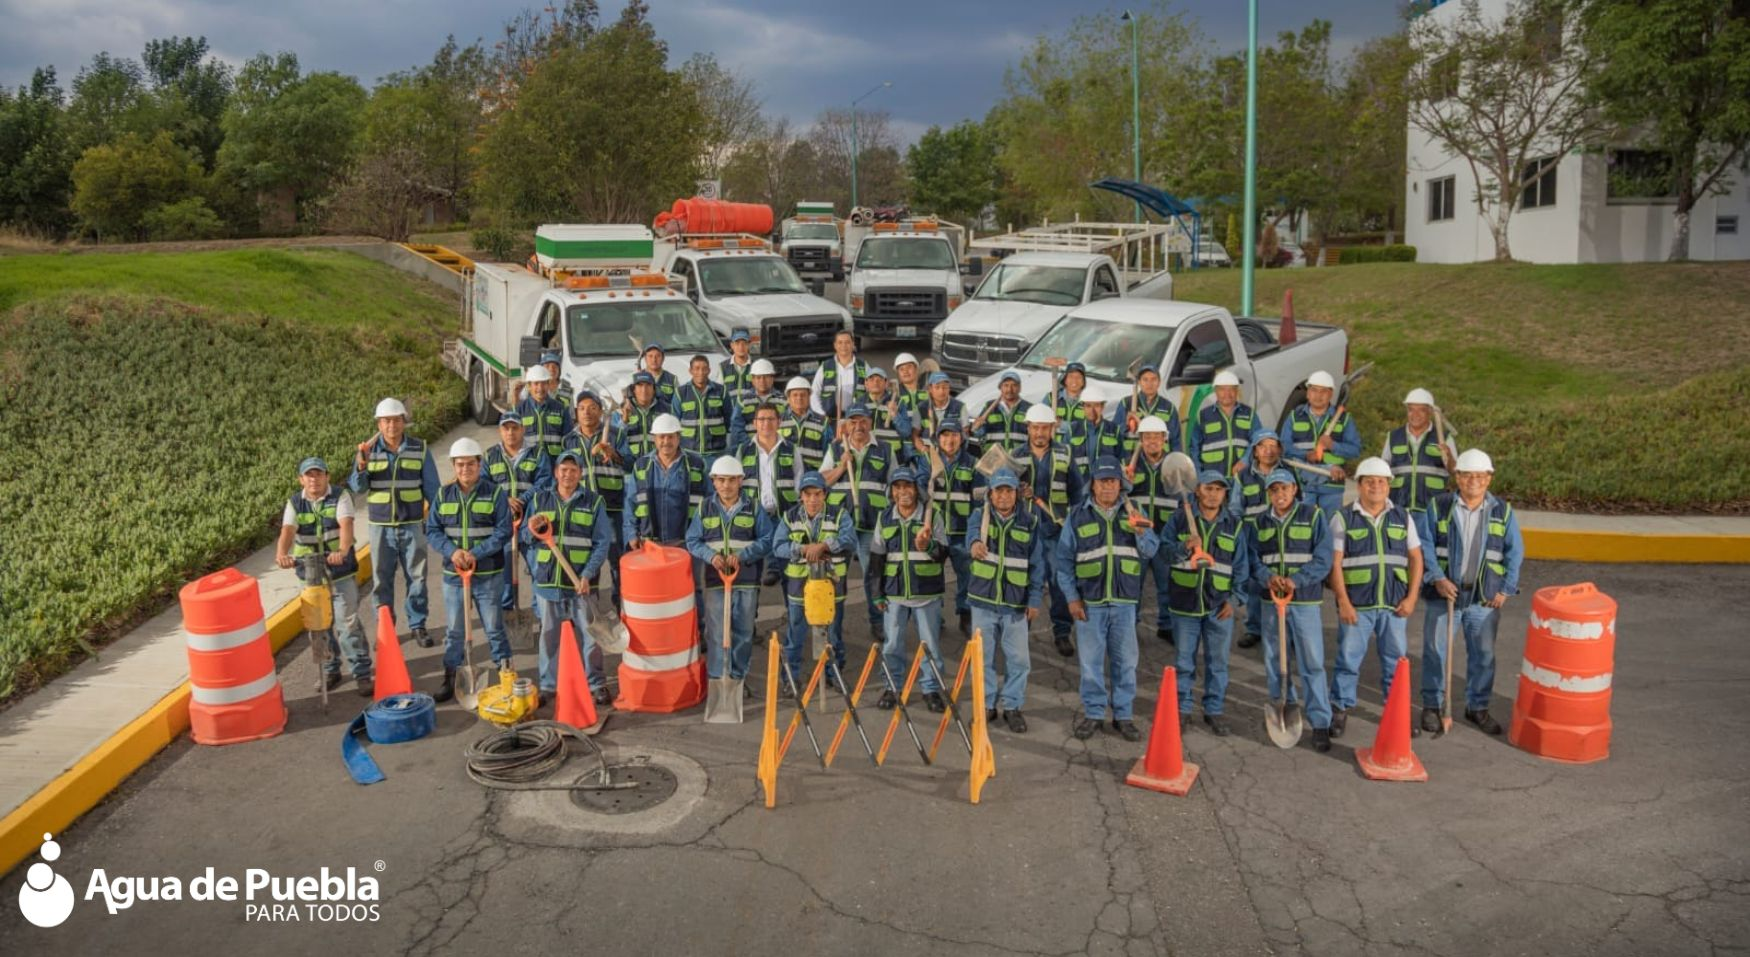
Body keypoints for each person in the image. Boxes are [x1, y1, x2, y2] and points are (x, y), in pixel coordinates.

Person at [1416, 449, 1523, 736]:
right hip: (1445, 596)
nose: (1473, 480)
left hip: (1483, 599)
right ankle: (1432, 705)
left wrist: (1506, 589)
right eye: (1466, 475)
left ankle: (1477, 706)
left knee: (1483, 655)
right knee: (1436, 653)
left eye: (1480, 475)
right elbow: (1424, 544)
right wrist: (1437, 578)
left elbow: (1515, 552)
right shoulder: (1438, 506)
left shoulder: (1503, 511)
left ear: (1488, 479)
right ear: (1457, 477)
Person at [1056, 456, 1161, 741]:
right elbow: (1064, 563)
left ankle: (1123, 716)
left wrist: (1141, 532)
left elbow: (1152, 550)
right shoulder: (1077, 515)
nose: (1107, 488)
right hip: (1090, 603)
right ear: (1092, 485)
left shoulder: (1134, 511)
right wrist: (1072, 599)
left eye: (1112, 481)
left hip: (1125, 603)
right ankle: (1093, 714)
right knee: (1090, 662)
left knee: (1125, 662)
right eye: (1102, 482)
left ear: (1120, 484)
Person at [1327, 457, 1424, 739]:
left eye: (1381, 481)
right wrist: (1343, 602)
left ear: (1389, 486)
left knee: (1396, 662)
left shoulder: (1403, 517)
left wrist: (1412, 598)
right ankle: (1340, 708)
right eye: (1369, 481)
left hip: (1394, 606)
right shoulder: (1343, 517)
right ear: (1358, 485)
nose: (1376, 486)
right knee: (1348, 660)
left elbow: (1416, 558)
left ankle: (1397, 714)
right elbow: (1335, 563)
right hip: (1358, 606)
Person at [1244, 468, 1336, 752]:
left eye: (1284, 488)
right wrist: (1267, 578)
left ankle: (1320, 722)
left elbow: (1324, 558)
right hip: (1272, 601)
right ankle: (1283, 704)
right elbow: (1252, 559)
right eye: (1274, 490)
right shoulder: (1259, 523)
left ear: (1294, 489)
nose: (1280, 494)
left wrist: (1297, 580)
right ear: (1268, 493)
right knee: (1275, 659)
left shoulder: (1314, 516)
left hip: (1304, 601)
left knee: (1312, 663)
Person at [424, 437, 513, 703]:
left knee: (494, 628)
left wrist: (476, 553)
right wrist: (453, 553)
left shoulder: (495, 493)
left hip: (488, 575)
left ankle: (507, 675)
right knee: (454, 631)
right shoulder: (442, 495)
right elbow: (432, 530)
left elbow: (503, 531)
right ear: (453, 465)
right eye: (460, 465)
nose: (465, 469)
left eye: (471, 464)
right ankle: (451, 676)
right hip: (454, 577)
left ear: (479, 464)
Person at [1162, 470, 1249, 736]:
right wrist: (1183, 547)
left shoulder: (1234, 525)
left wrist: (1234, 601)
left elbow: (1241, 568)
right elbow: (1162, 552)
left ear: (1225, 494)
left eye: (1219, 490)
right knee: (1184, 661)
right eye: (1208, 488)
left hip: (1218, 607)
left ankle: (1214, 710)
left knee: (1218, 662)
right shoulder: (1179, 519)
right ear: (1198, 490)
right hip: (1184, 605)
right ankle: (1183, 709)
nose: (1213, 495)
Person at [276, 456, 372, 697]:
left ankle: (361, 672)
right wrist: (281, 554)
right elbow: (288, 530)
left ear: (327, 476)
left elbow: (346, 526)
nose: (314, 479)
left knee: (347, 621)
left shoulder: (340, 496)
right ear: (301, 479)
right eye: (309, 475)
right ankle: (330, 669)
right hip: (310, 575)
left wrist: (341, 550)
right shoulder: (295, 503)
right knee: (319, 626)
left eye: (319, 474)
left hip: (339, 571)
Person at [521, 451, 611, 706]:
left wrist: (588, 574)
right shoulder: (539, 500)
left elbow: (602, 542)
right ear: (555, 473)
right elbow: (526, 540)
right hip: (548, 582)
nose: (568, 474)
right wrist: (531, 528)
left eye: (573, 470)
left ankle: (596, 683)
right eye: (563, 469)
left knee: (590, 635)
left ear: (580, 474)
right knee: (548, 636)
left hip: (581, 583)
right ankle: (549, 685)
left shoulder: (594, 502)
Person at [348, 397, 440, 646]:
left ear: (404, 422)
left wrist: (436, 519)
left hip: (412, 525)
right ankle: (386, 630)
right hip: (381, 529)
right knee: (382, 580)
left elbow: (433, 489)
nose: (392, 426)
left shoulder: (419, 448)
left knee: (417, 578)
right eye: (386, 421)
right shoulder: (367, 452)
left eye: (396, 420)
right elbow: (357, 487)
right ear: (379, 424)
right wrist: (361, 465)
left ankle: (418, 625)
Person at [966, 467, 1047, 733]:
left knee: (1019, 659)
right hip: (983, 601)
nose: (1003, 496)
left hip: (1015, 604)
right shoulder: (979, 516)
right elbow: (971, 536)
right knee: (983, 658)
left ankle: (1012, 706)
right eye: (998, 490)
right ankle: (986, 705)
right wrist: (975, 543)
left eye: (1008, 491)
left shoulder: (1029, 522)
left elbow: (1037, 564)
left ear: (1017, 494)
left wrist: (1034, 599)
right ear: (990, 493)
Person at [686, 457, 775, 691]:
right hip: (716, 581)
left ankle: (737, 677)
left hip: (747, 580)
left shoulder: (754, 507)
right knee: (717, 632)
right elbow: (692, 540)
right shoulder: (704, 508)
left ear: (740, 481)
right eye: (721, 480)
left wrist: (744, 555)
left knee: (743, 631)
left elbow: (767, 539)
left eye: (732, 480)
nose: (726, 485)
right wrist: (710, 556)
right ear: (714, 482)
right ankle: (717, 678)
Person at [869, 466, 952, 712]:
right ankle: (892, 686)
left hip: (926, 592)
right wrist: (877, 593)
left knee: (930, 645)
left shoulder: (932, 516)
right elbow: (876, 560)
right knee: (892, 644)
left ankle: (931, 689)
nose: (903, 492)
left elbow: (942, 555)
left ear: (917, 490)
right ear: (891, 491)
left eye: (908, 486)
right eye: (897, 487)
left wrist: (927, 546)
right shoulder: (884, 518)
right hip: (894, 594)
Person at [771, 472, 858, 693]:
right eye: (807, 494)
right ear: (801, 495)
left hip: (831, 587)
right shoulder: (789, 517)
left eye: (817, 494)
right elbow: (777, 547)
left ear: (825, 494)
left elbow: (850, 540)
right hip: (799, 586)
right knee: (795, 634)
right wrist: (801, 549)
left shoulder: (840, 515)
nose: (812, 499)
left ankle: (833, 674)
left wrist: (825, 546)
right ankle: (791, 679)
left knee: (833, 633)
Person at [822, 403, 892, 644]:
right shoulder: (835, 449)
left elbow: (894, 485)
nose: (858, 426)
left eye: (863, 421)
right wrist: (842, 465)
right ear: (846, 425)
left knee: (872, 574)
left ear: (870, 423)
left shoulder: (884, 449)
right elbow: (823, 481)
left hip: (871, 524)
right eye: (853, 422)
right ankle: (830, 627)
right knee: (834, 575)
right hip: (842, 524)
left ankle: (877, 622)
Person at [1019, 403, 1081, 657]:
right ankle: (1021, 631)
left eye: (1044, 428)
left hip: (1057, 531)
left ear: (1052, 429)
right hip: (1026, 531)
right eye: (1035, 428)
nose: (1040, 433)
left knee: (1059, 582)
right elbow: (1001, 491)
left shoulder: (1065, 453)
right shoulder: (1016, 455)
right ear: (1028, 428)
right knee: (1025, 581)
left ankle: (1062, 632)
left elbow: (1077, 491)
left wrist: (1074, 524)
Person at [483, 411, 552, 614]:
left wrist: (523, 499)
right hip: (503, 525)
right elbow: (484, 486)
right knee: (505, 573)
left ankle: (541, 615)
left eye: (515, 428)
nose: (510, 432)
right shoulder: (490, 455)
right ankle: (508, 613)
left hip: (531, 523)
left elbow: (545, 482)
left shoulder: (537, 453)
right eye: (506, 428)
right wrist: (504, 499)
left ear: (522, 429)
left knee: (538, 569)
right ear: (500, 431)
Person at [921, 417, 983, 636]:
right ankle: (935, 617)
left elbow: (978, 502)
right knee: (931, 576)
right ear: (938, 438)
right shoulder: (928, 460)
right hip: (935, 531)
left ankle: (965, 615)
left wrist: (975, 532)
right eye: (945, 435)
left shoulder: (973, 463)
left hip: (961, 531)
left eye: (954, 435)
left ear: (961, 437)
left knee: (966, 577)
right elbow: (919, 486)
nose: (950, 440)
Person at [1126, 416, 1185, 646]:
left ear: (1164, 439)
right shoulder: (1130, 464)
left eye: (1156, 437)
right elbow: (1122, 494)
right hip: (1139, 536)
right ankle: (1131, 625)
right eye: (1147, 437)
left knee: (1166, 584)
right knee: (1134, 584)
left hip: (1164, 534)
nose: (1152, 442)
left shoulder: (1175, 465)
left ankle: (1166, 625)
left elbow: (1183, 499)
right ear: (1140, 439)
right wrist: (1125, 480)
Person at [563, 390, 627, 604]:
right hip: (583, 509)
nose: (587, 413)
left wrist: (614, 454)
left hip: (611, 507)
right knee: (589, 562)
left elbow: (632, 463)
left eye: (592, 408)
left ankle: (621, 606)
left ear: (601, 411)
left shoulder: (616, 434)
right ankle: (592, 608)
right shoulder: (569, 440)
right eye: (582, 409)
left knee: (617, 559)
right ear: (576, 413)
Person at [1230, 428, 1290, 650]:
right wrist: (1239, 537)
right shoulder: (1243, 476)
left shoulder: (1288, 473)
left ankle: (1284, 629)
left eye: (1273, 446)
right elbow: (1236, 509)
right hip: (1253, 537)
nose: (1268, 451)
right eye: (1263, 446)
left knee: (1283, 580)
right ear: (1254, 451)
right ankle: (1254, 628)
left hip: (1281, 536)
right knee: (1255, 585)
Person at [733, 401, 802, 588]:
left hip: (783, 516)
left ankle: (792, 610)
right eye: (761, 419)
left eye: (771, 419)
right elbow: (737, 484)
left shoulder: (791, 449)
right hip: (754, 517)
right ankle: (752, 613)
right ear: (754, 423)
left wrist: (793, 506)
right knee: (750, 572)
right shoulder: (744, 450)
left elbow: (799, 478)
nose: (766, 423)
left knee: (789, 570)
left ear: (779, 422)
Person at [623, 413, 706, 549]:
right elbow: (630, 504)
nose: (666, 442)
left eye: (671, 436)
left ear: (678, 438)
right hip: (650, 543)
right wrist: (631, 534)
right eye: (661, 437)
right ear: (654, 439)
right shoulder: (641, 466)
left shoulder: (696, 465)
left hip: (686, 543)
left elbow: (708, 502)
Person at [1283, 370, 1360, 515]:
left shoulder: (1344, 419)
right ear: (1307, 393)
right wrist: (1305, 455)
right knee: (1303, 528)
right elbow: (1283, 447)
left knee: (1331, 529)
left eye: (1323, 391)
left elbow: (1355, 450)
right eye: (1314, 390)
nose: (1318, 396)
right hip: (1303, 485)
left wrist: (1333, 445)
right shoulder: (1294, 417)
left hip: (1332, 486)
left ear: (1331, 394)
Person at [1385, 388, 1458, 516]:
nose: (1415, 415)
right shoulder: (1393, 437)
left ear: (1430, 412)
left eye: (1421, 410)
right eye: (1411, 409)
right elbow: (1382, 472)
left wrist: (1449, 457)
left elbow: (1455, 472)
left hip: (1432, 510)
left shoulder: (1444, 438)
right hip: (1398, 509)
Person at [1190, 369, 1255, 477]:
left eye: (1231, 389)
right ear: (1215, 391)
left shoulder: (1249, 414)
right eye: (1222, 389)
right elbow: (1194, 448)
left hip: (1241, 477)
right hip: (1212, 480)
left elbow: (1257, 442)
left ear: (1237, 390)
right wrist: (1199, 474)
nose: (1227, 394)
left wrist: (1245, 460)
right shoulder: (1203, 416)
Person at [1114, 363, 1181, 459]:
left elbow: (1175, 442)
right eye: (1145, 380)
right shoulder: (1126, 404)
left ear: (1159, 382)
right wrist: (1127, 425)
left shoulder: (1168, 408)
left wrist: (1175, 464)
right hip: (1131, 462)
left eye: (1153, 379)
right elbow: (1114, 434)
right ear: (1139, 382)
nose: (1149, 384)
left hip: (1159, 463)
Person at [674, 354, 732, 457]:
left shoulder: (721, 391)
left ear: (709, 370)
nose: (700, 372)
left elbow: (729, 420)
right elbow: (674, 422)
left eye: (704, 369)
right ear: (690, 371)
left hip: (716, 453)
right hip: (689, 453)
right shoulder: (680, 393)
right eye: (696, 368)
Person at [516, 365, 571, 460]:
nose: (540, 388)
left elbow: (569, 439)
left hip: (553, 465)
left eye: (543, 383)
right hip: (528, 465)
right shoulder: (520, 410)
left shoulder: (560, 409)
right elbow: (513, 441)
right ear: (529, 386)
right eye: (536, 384)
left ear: (548, 384)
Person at [779, 376, 834, 471]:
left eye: (803, 395)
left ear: (809, 397)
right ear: (788, 398)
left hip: (813, 475)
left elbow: (829, 453)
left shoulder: (822, 422)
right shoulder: (777, 420)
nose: (799, 398)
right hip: (786, 473)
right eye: (795, 395)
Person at [811, 330, 869, 419]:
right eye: (840, 342)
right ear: (835, 345)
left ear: (853, 344)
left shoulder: (864, 366)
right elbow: (814, 393)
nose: (844, 346)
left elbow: (873, 392)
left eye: (847, 342)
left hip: (856, 420)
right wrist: (821, 413)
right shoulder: (825, 366)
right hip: (830, 419)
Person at [615, 371, 671, 463]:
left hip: (659, 467)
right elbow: (615, 440)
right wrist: (624, 420)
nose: (644, 390)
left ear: (654, 389)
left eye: (648, 385)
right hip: (631, 469)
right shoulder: (620, 411)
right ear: (633, 390)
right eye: (640, 385)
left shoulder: (667, 410)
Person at [727, 358, 784, 448]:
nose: (762, 381)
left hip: (776, 448)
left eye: (766, 377)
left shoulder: (782, 400)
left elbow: (786, 426)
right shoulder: (743, 400)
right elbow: (736, 427)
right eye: (758, 377)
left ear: (772, 379)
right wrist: (752, 444)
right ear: (752, 379)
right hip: (748, 449)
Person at [1067, 383, 1122, 473]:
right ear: (1083, 407)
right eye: (1088, 406)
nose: (1092, 410)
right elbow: (1064, 461)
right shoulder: (1072, 430)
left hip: (1104, 483)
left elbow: (1121, 460)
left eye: (1096, 405)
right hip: (1079, 483)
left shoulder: (1114, 430)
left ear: (1102, 406)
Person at [972, 370, 1031, 454]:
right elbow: (979, 435)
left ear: (1020, 387)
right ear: (1000, 387)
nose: (1009, 389)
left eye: (1014, 385)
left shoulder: (1028, 408)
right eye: (1006, 385)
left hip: (1018, 458)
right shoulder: (989, 406)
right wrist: (977, 429)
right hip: (993, 459)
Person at [863, 367, 912, 458]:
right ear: (866, 383)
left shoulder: (899, 402)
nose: (875, 382)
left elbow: (906, 432)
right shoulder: (859, 403)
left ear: (886, 383)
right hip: (867, 456)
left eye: (879, 379)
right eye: (871, 379)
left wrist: (895, 415)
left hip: (894, 456)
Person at [914, 372, 967, 454]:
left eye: (945, 387)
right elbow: (915, 435)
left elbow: (965, 433)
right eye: (937, 387)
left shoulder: (960, 407)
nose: (941, 391)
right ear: (930, 389)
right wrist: (922, 448)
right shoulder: (921, 408)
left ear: (949, 388)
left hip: (952, 455)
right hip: (928, 454)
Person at [719, 329, 756, 397]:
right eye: (737, 343)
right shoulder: (723, 367)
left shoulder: (756, 366)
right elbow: (719, 392)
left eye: (744, 343)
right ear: (732, 345)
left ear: (749, 345)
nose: (741, 347)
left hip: (751, 407)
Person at [892, 353, 929, 418]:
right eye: (901, 369)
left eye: (909, 367)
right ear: (898, 374)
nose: (905, 371)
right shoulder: (894, 394)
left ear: (916, 369)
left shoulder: (927, 390)